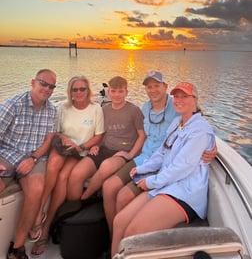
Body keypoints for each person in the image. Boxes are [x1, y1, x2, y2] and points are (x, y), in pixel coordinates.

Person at [103, 72, 217, 236]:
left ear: (165, 87)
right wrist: (138, 163)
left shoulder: (176, 108)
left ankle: (122, 239)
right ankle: (113, 238)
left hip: (168, 175)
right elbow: (161, 147)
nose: (153, 90)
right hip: (146, 158)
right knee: (108, 187)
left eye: (157, 85)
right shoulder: (149, 109)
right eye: (149, 86)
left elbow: (199, 128)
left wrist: (213, 146)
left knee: (122, 198)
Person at [31, 75, 104, 256]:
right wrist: (65, 139)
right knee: (54, 163)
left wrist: (81, 146)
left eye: (82, 89)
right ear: (70, 92)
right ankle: (40, 212)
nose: (78, 92)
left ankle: (47, 227)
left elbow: (99, 136)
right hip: (62, 147)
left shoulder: (96, 109)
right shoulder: (63, 108)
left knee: (64, 177)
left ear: (88, 90)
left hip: (79, 151)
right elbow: (56, 133)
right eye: (74, 89)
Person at [0, 69, 57, 259]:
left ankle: (16, 248)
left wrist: (33, 159)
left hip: (34, 157)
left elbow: (48, 141)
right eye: (43, 84)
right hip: (7, 154)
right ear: (33, 82)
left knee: (36, 190)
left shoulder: (52, 111)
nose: (47, 89)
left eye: (51, 86)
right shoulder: (14, 104)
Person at [67, 76, 146, 201]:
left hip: (122, 152)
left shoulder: (134, 110)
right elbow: (102, 133)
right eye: (113, 91)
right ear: (108, 92)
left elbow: (142, 135)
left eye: (120, 91)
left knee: (106, 166)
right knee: (77, 173)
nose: (117, 95)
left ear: (126, 92)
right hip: (104, 148)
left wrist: (130, 154)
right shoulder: (104, 109)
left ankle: (85, 198)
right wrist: (96, 145)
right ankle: (72, 205)